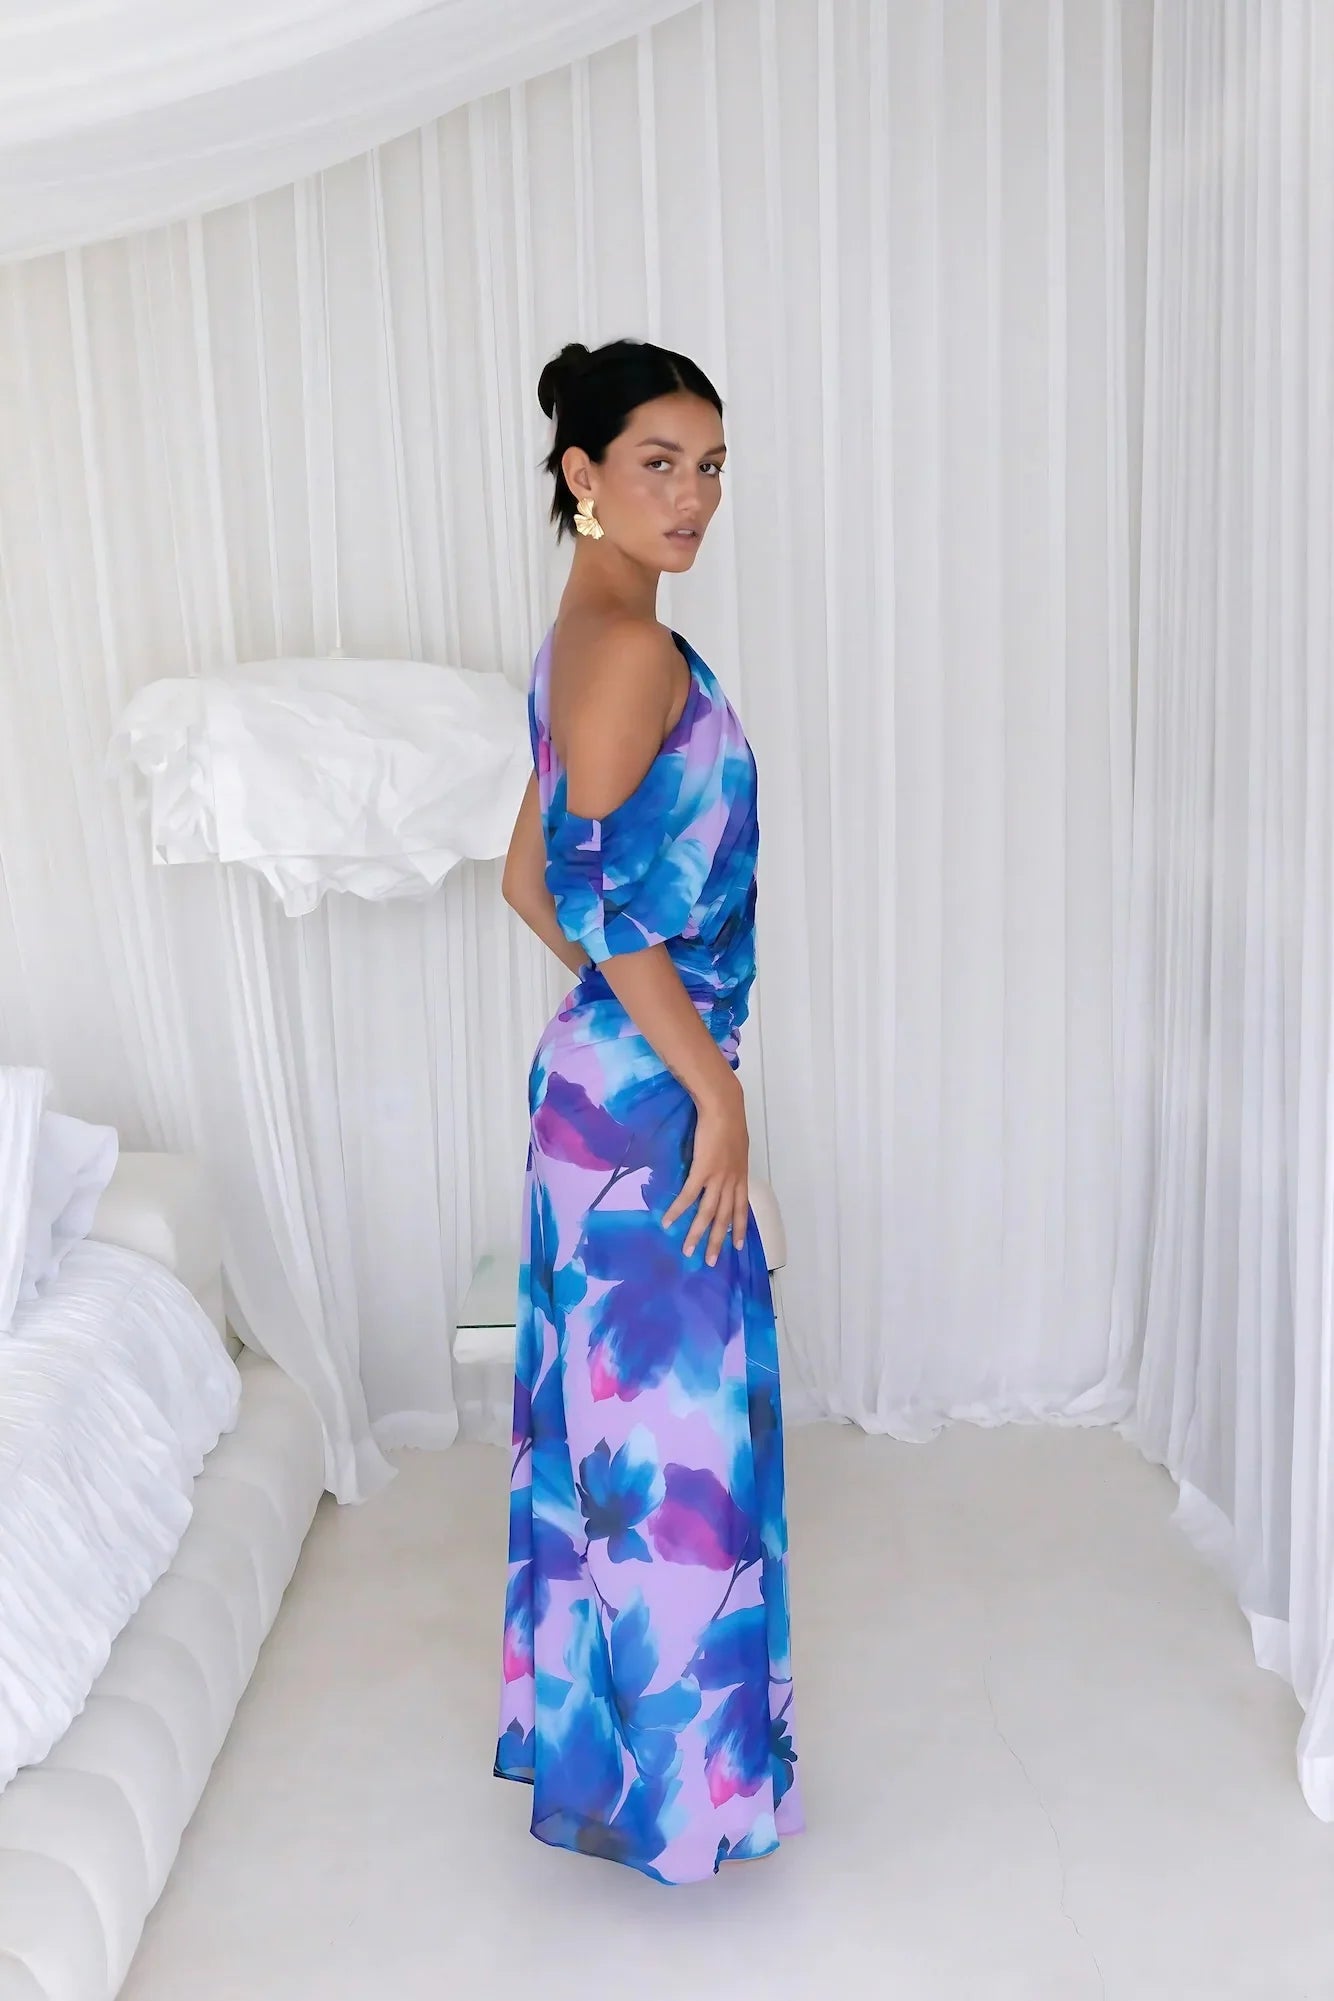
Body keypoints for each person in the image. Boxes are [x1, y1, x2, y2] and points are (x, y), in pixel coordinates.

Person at [493, 337, 803, 1884]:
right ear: (583, 475)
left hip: (612, 1091)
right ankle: (682, 1805)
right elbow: (597, 902)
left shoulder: (587, 635)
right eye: (659, 463)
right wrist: (707, 1082)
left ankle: (639, 1781)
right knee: (671, 1466)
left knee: (629, 1454)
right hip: (647, 1109)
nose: (693, 496)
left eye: (712, 467)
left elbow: (526, 877)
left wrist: (635, 1033)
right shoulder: (624, 648)